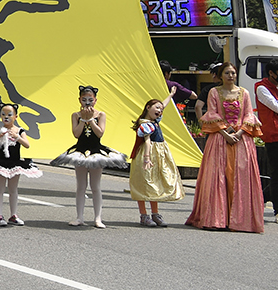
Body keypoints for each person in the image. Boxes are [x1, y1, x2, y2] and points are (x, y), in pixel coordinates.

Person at [186, 63, 264, 233]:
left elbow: (249, 114)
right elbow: (212, 113)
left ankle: (241, 219)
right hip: (220, 138)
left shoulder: (244, 93)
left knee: (240, 177)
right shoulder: (214, 92)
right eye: (227, 73)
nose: (231, 76)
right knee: (219, 176)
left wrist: (240, 132)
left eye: (233, 73)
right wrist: (225, 133)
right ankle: (218, 218)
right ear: (220, 76)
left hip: (241, 139)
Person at [51, 85, 127, 228]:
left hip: (95, 152)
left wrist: (91, 119)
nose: (87, 102)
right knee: (81, 185)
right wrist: (83, 120)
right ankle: (79, 217)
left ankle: (98, 218)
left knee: (95, 186)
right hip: (80, 151)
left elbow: (100, 133)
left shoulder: (101, 115)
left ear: (95, 100)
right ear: (79, 99)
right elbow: (76, 134)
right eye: (84, 99)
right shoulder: (75, 115)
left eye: (90, 100)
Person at [0, 102, 41, 226]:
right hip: (0, 162)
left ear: (16, 116)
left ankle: (13, 215)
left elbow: (27, 144)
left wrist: (17, 137)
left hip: (15, 162)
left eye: (9, 114)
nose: (6, 117)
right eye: (3, 114)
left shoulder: (19, 130)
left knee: (13, 189)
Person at [129, 97, 182, 227]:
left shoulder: (155, 121)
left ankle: (155, 214)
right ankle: (144, 215)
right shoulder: (145, 124)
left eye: (161, 109)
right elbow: (147, 141)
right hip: (148, 155)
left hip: (158, 155)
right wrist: (147, 158)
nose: (160, 110)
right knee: (144, 184)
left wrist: (171, 95)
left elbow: (163, 105)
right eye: (156, 108)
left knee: (155, 183)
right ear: (148, 107)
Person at [253, 60, 278, 220]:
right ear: (271, 73)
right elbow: (275, 106)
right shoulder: (261, 88)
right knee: (276, 174)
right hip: (274, 137)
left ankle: (266, 199)